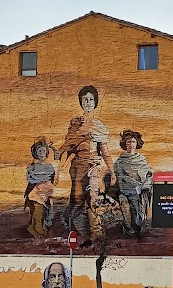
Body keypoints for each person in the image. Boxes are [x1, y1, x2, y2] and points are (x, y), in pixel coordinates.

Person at [58, 86, 116, 242]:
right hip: (77, 168)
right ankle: (79, 233)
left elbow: (104, 151)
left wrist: (113, 171)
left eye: (91, 99)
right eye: (85, 99)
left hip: (93, 168)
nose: (88, 102)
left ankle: (97, 235)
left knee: (92, 198)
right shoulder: (75, 123)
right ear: (81, 102)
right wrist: (58, 169)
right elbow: (68, 146)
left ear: (95, 102)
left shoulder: (99, 126)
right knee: (77, 199)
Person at [114, 130, 153, 237]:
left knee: (137, 216)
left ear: (137, 144)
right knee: (125, 209)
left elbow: (149, 174)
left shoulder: (141, 160)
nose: (131, 145)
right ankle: (128, 232)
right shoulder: (119, 161)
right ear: (124, 144)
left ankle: (136, 232)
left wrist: (144, 187)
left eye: (133, 142)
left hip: (137, 193)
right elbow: (114, 176)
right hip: (123, 192)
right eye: (128, 142)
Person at [24, 139, 56, 238]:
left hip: (46, 195)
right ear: (36, 153)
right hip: (35, 195)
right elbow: (31, 179)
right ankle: (38, 233)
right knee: (37, 214)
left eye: (44, 151)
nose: (42, 153)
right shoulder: (32, 168)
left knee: (45, 215)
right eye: (40, 151)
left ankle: (37, 232)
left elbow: (52, 179)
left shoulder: (50, 167)